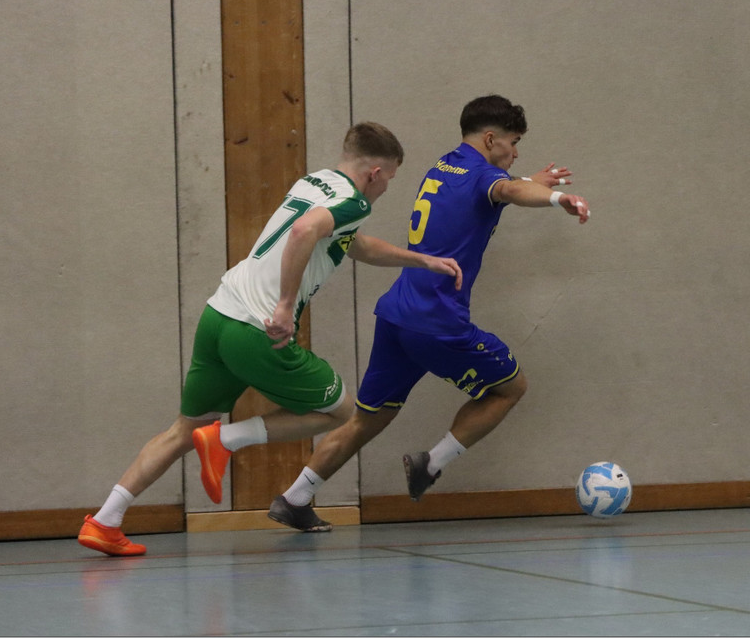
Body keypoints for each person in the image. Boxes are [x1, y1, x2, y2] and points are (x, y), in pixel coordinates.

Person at [77, 122, 462, 556]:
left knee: (184, 429)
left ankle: (105, 520)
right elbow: (303, 232)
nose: (387, 187)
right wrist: (284, 305)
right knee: (339, 411)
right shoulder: (354, 202)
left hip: (219, 314)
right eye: (389, 178)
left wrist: (422, 260)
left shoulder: (315, 182)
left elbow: (354, 245)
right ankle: (225, 440)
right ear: (375, 173)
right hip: (255, 328)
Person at [256, 94, 591, 531]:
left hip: (397, 315)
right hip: (437, 322)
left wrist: (532, 180)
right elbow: (507, 189)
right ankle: (430, 464)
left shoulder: (444, 167)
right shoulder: (489, 178)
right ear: (491, 139)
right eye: (514, 142)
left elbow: (497, 187)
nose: (515, 153)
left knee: (369, 417)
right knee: (510, 388)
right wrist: (554, 198)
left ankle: (294, 498)